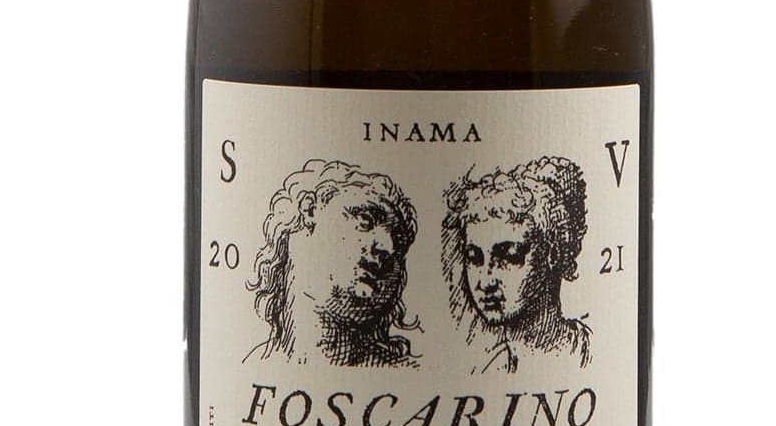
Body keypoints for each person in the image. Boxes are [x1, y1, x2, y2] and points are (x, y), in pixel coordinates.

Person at [244, 159, 420, 367]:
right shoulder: (250, 363)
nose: (388, 247)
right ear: (310, 210)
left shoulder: (406, 368)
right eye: (365, 220)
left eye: (398, 241)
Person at [442, 156, 590, 374]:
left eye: (509, 256)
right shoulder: (489, 369)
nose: (485, 281)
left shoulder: (594, 352)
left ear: (552, 254)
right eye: (474, 258)